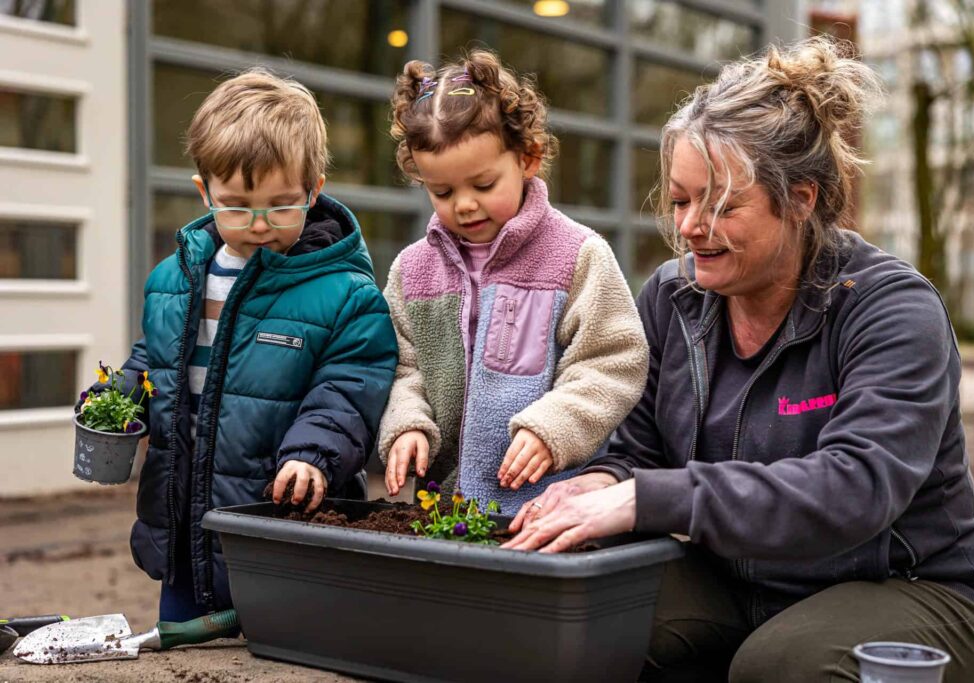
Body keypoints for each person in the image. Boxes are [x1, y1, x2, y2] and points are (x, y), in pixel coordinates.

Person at [504, 37, 974, 682]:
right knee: (578, 620)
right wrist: (602, 483)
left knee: (779, 668)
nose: (689, 226)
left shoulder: (890, 310)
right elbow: (636, 450)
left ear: (800, 197)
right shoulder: (673, 297)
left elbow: (854, 488)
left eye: (719, 204)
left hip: (915, 581)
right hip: (738, 578)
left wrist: (647, 499)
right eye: (681, 199)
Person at [80, 69, 398, 622]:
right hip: (183, 518)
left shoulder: (345, 293)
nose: (257, 225)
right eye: (236, 206)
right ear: (205, 192)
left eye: (279, 205)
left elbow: (350, 389)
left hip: (284, 518)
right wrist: (118, 397)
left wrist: (312, 455)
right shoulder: (173, 279)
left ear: (313, 189)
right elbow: (154, 360)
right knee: (181, 642)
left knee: (280, 654)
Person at [378, 50, 649, 513]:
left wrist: (554, 427)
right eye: (442, 192)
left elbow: (613, 359)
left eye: (483, 185)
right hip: (442, 513)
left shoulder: (576, 254)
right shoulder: (412, 271)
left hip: (552, 509)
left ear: (528, 157)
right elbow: (402, 369)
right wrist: (407, 425)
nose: (463, 205)